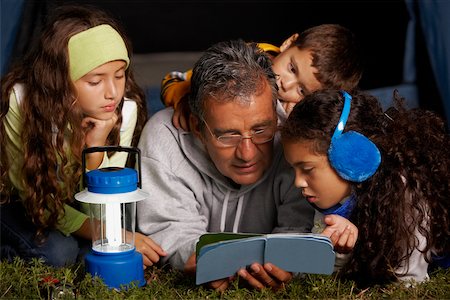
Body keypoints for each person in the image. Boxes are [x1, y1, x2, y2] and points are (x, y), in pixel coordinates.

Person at [137, 39, 321, 291]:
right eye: (228, 135)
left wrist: (286, 262)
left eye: (261, 130)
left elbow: (300, 228)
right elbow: (170, 227)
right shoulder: (163, 138)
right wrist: (195, 257)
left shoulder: (297, 139)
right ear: (197, 127)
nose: (247, 154)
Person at [0, 5, 166, 268]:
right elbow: (39, 204)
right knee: (59, 253)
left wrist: (94, 149)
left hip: (73, 208)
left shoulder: (125, 109)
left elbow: (102, 203)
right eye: (95, 81)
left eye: (120, 75)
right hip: (21, 202)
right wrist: (109, 234)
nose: (112, 92)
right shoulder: (20, 103)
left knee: (94, 247)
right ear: (61, 80)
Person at [280, 89, 450, 286]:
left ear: (350, 158)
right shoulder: (327, 198)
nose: (298, 182)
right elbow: (324, 276)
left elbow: (408, 282)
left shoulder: (406, 196)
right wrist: (340, 252)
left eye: (307, 169)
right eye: (294, 169)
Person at [161, 24, 362, 128]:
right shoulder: (249, 58)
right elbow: (174, 79)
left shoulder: (301, 107)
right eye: (292, 68)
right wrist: (186, 99)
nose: (286, 84)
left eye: (302, 90)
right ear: (289, 43)